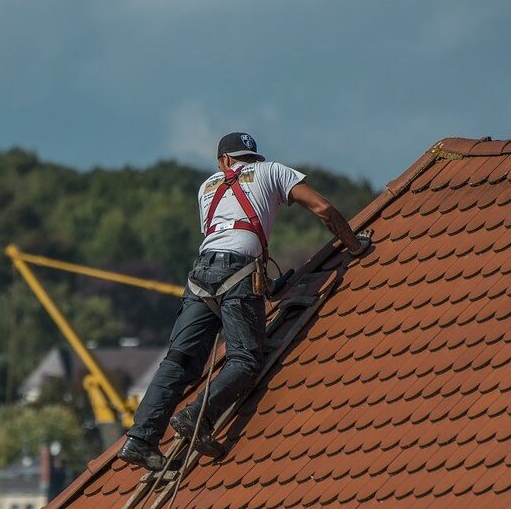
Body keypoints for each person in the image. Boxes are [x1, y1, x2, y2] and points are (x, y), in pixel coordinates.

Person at [117, 131, 370, 471]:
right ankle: (197, 417)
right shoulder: (273, 171)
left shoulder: (206, 187)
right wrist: (354, 245)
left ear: (223, 161)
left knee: (178, 360)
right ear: (249, 158)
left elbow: (223, 234)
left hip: (201, 275)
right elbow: (322, 208)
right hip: (239, 271)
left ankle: (140, 439)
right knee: (246, 360)